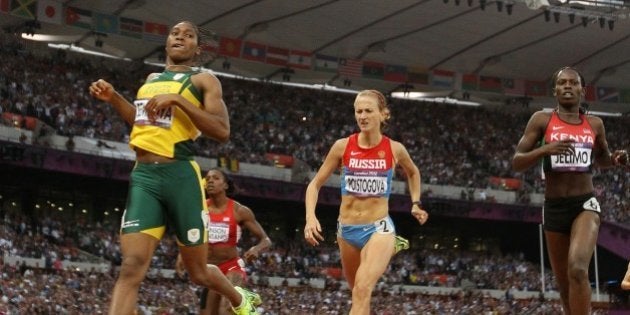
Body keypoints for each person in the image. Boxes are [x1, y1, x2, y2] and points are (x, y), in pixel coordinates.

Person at [88, 21, 261, 315]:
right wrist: (114, 98)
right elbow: (142, 122)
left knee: (199, 273)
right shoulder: (152, 78)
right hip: (143, 177)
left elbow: (222, 131)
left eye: (188, 35)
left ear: (197, 48)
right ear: (167, 42)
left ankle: (240, 299)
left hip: (180, 176)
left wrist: (180, 100)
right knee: (131, 266)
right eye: (175, 33)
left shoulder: (205, 80)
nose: (180, 37)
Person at [512, 66, 629, 314]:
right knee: (565, 286)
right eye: (562, 82)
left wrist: (615, 160)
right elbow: (517, 162)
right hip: (554, 208)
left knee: (577, 269)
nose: (567, 86)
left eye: (572, 83)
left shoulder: (595, 124)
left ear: (582, 91)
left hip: (584, 204)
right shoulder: (541, 120)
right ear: (554, 90)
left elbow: (601, 159)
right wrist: (545, 150)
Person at [303, 89, 428, 315]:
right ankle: (392, 248)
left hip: (378, 228)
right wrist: (310, 217)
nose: (362, 116)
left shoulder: (394, 149)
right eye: (358, 111)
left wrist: (416, 202)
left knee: (362, 288)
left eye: (369, 111)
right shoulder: (342, 147)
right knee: (359, 294)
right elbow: (314, 185)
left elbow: (413, 172)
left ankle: (390, 243)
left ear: (383, 114)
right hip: (347, 231)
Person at [176, 168, 272, 315]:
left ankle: (242, 299)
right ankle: (246, 300)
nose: (210, 181)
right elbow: (190, 234)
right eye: (208, 179)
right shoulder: (200, 208)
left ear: (225, 185)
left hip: (232, 268)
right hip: (209, 270)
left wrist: (256, 249)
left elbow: (266, 240)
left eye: (215, 178)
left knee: (227, 309)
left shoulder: (239, 211)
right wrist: (181, 255)